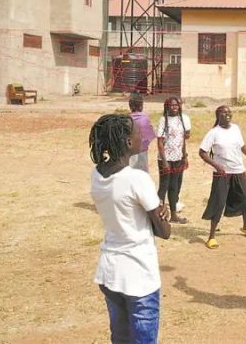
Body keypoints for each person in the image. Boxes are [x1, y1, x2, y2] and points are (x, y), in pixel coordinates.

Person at [89, 114, 171, 344]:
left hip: (110, 271)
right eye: (138, 133)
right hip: (138, 275)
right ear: (127, 142)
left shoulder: (97, 175)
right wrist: (161, 213)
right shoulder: (137, 179)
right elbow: (164, 232)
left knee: (121, 338)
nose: (142, 136)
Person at [199, 105, 246, 249]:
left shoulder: (236, 129)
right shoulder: (213, 133)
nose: (227, 114)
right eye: (224, 112)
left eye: (229, 112)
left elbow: (242, 146)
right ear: (218, 115)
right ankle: (211, 237)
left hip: (239, 170)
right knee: (219, 202)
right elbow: (202, 152)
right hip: (222, 173)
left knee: (244, 197)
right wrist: (216, 166)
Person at [156, 96, 192, 224]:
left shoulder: (182, 120)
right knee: (164, 186)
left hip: (178, 158)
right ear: (167, 106)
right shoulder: (163, 120)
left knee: (174, 186)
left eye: (176, 105)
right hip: (165, 159)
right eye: (171, 105)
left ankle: (174, 215)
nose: (174, 107)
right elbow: (160, 142)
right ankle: (157, 215)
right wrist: (164, 161)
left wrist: (184, 156)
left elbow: (183, 140)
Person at [127, 93, 157, 172]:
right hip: (142, 151)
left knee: (130, 173)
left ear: (130, 106)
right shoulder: (145, 119)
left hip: (129, 152)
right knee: (142, 174)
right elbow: (150, 135)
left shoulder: (126, 119)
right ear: (141, 106)